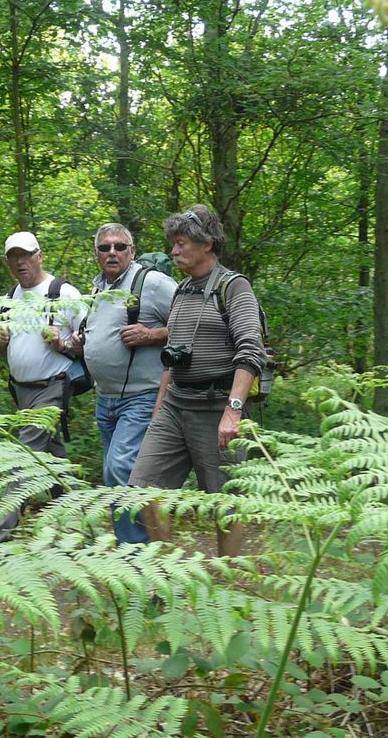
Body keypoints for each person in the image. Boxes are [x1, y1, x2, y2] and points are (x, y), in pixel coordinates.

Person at [127, 206, 267, 557]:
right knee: (143, 488)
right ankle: (168, 574)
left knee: (225, 503)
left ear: (207, 244)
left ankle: (229, 585)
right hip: (176, 406)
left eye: (181, 243)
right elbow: (172, 355)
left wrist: (233, 411)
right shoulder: (182, 290)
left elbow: (251, 351)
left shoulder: (233, 287)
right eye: (173, 244)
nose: (174, 252)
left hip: (217, 406)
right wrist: (159, 408)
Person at [0, 231, 84, 563]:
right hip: (20, 391)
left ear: (39, 256)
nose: (19, 262)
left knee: (21, 459)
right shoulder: (9, 297)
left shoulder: (61, 292)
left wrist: (62, 343)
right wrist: (0, 344)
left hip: (53, 387)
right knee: (52, 463)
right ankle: (79, 529)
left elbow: (87, 337)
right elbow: (6, 347)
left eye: (25, 255)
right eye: (13, 257)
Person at [81, 223, 178, 545]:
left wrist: (152, 335)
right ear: (95, 253)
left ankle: (137, 559)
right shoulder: (97, 289)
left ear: (132, 251)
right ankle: (145, 553)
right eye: (104, 247)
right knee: (122, 478)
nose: (112, 252)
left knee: (120, 471)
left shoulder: (151, 282)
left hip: (142, 396)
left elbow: (193, 319)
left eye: (120, 247)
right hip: (105, 400)